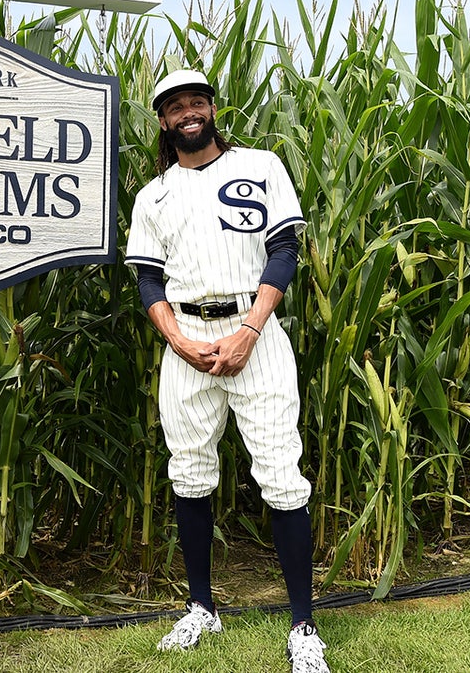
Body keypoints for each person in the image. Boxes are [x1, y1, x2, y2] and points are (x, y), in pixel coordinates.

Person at [124, 69, 329, 673]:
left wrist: (248, 330)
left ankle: (303, 626)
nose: (187, 113)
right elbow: (147, 277)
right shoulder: (153, 196)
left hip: (254, 333)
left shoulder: (261, 165)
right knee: (188, 472)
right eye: (173, 107)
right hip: (185, 340)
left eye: (196, 102)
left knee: (280, 473)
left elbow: (284, 250)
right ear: (163, 122)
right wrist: (179, 341)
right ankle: (201, 608)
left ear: (212, 108)